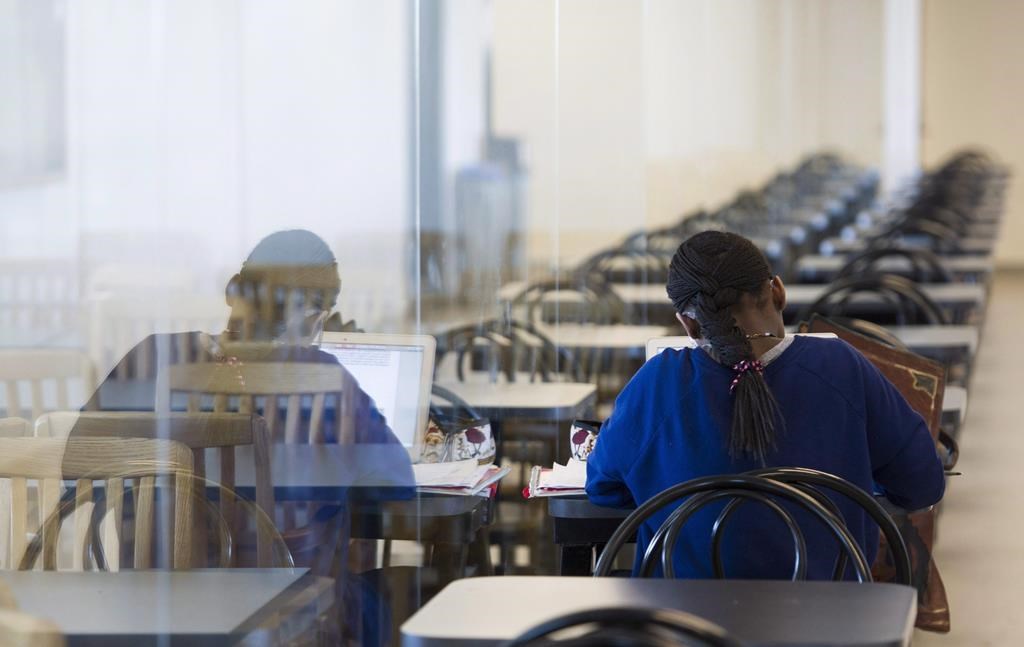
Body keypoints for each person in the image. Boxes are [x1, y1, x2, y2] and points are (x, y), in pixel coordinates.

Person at [76, 229, 412, 644]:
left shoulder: (152, 356)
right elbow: (400, 484)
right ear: (314, 319)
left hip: (156, 601)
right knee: (401, 586)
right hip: (285, 609)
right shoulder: (323, 378)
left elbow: (76, 458)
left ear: (232, 293)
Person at [585, 231, 945, 579]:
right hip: (828, 626)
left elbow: (603, 487)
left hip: (677, 631)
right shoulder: (840, 367)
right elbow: (922, 484)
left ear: (688, 325)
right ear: (778, 291)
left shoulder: (657, 384)